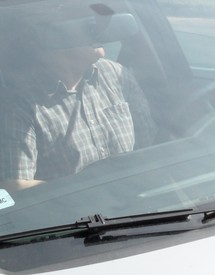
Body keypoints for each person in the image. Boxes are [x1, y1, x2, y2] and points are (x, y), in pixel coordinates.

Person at [0, 18, 156, 190]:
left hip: (140, 201)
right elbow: (15, 186)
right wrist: (88, 194)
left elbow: (148, 146)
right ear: (49, 38)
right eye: (86, 24)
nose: (97, 29)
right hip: (74, 215)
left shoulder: (116, 74)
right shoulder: (19, 105)